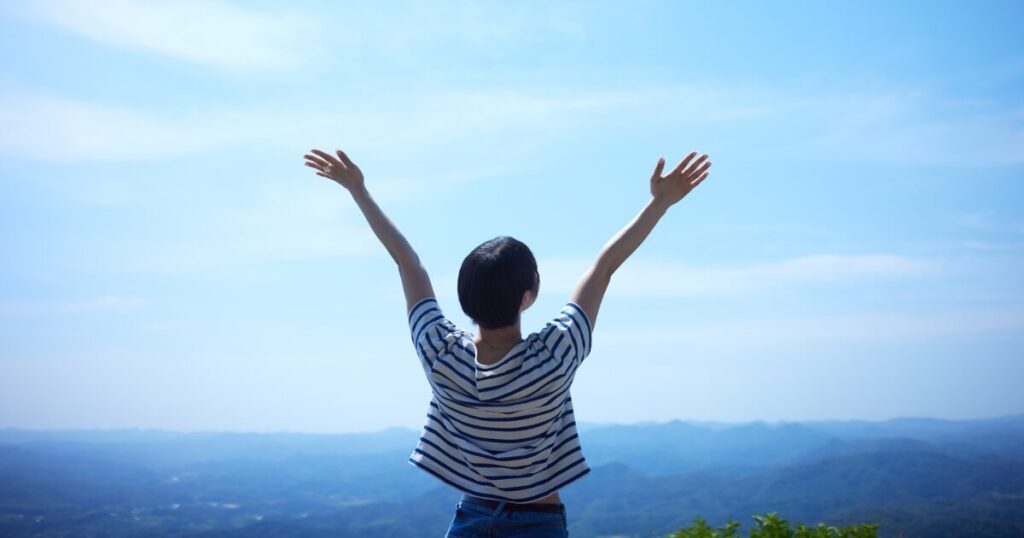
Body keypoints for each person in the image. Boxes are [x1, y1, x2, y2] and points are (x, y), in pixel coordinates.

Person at [303, 147, 711, 537]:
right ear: (527, 297)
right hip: (539, 524)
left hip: (470, 520)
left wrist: (359, 191)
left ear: (464, 297)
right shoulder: (555, 356)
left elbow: (408, 263)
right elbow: (603, 267)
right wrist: (659, 203)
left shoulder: (440, 354)